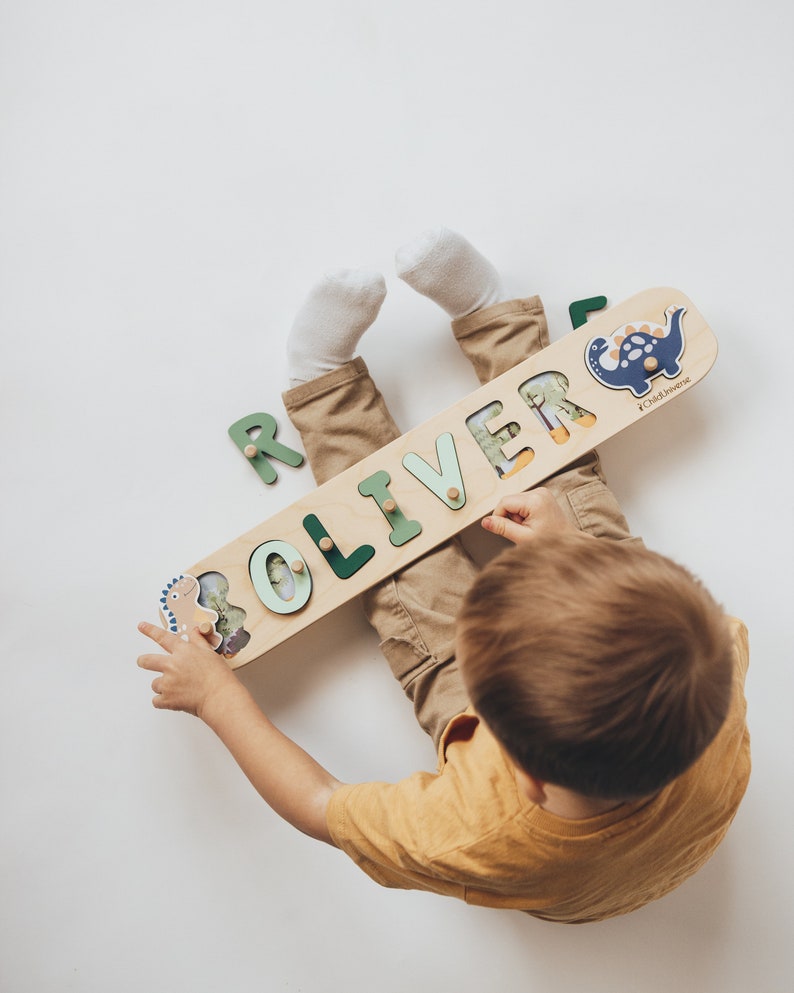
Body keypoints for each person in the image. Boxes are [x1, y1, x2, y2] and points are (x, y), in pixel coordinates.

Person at [137, 228, 750, 923]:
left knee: (398, 563)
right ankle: (493, 314)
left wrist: (216, 698)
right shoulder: (710, 664)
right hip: (673, 814)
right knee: (572, 494)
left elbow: (317, 804)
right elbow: (661, 608)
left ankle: (322, 386)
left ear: (525, 775)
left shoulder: (473, 829)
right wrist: (573, 550)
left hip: (570, 861)